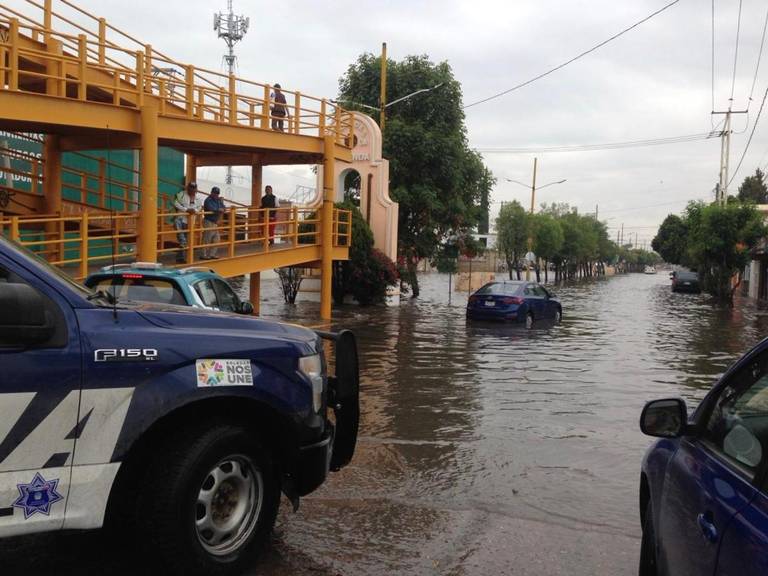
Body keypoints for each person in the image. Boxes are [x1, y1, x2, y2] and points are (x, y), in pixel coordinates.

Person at [173, 181, 203, 263]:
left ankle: (180, 258)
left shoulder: (198, 200)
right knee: (182, 239)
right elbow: (175, 203)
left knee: (184, 241)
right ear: (188, 188)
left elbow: (199, 208)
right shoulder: (181, 194)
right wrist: (186, 210)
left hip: (189, 222)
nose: (192, 190)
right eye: (190, 188)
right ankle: (181, 257)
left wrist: (194, 211)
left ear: (196, 189)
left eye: (194, 188)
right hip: (179, 219)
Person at [201, 186, 226, 260]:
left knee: (216, 239)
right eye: (215, 193)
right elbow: (211, 208)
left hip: (215, 222)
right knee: (207, 239)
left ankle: (212, 254)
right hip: (208, 221)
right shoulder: (208, 200)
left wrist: (221, 208)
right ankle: (203, 255)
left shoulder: (218, 200)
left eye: (217, 193)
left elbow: (224, 207)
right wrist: (219, 210)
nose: (216, 194)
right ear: (211, 192)